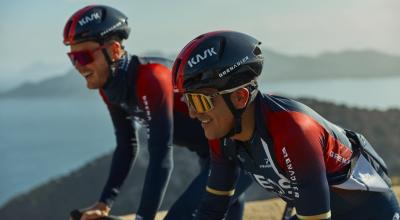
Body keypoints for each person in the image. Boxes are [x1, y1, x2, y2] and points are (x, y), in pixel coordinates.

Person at [172, 30, 400, 220]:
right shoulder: (222, 134)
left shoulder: (292, 129)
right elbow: (212, 209)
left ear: (240, 97)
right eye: (188, 100)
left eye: (200, 101)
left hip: (371, 213)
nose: (192, 113)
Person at [63, 5, 252, 220]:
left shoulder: (151, 78)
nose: (78, 65)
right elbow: (127, 146)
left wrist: (143, 217)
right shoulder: (109, 89)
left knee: (180, 217)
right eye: (73, 58)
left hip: (240, 148)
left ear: (115, 50)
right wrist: (104, 202)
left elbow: (161, 155)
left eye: (84, 57)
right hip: (211, 153)